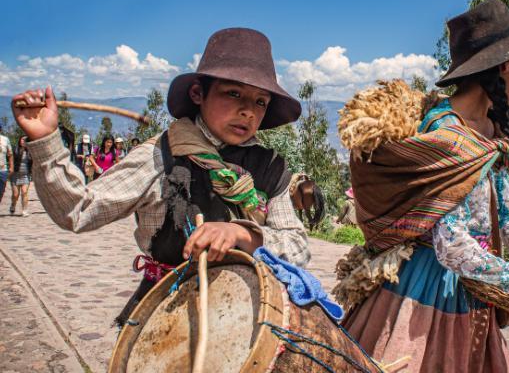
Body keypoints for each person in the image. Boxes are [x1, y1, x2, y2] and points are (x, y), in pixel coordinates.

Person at [12, 27, 310, 327]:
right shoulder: (159, 156)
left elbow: (297, 248)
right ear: (198, 94)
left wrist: (244, 235)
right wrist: (47, 141)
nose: (248, 111)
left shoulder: (271, 168)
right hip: (165, 316)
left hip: (250, 316)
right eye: (233, 93)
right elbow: (77, 209)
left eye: (260, 101)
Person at [339, 0, 509, 372]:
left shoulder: (490, 135)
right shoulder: (447, 134)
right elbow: (453, 246)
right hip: (422, 296)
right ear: (505, 66)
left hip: (469, 294)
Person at [10, 135, 33, 216]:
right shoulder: (15, 149)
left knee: (24, 192)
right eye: (22, 139)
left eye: (25, 140)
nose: (23, 141)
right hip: (15, 175)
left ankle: (24, 210)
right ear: (19, 140)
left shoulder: (30, 151)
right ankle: (13, 205)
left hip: (25, 175)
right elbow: (10, 159)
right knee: (15, 195)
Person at [0, 124, 14, 207]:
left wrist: (11, 167)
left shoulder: (5, 140)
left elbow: (10, 154)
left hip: (3, 170)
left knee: (1, 191)